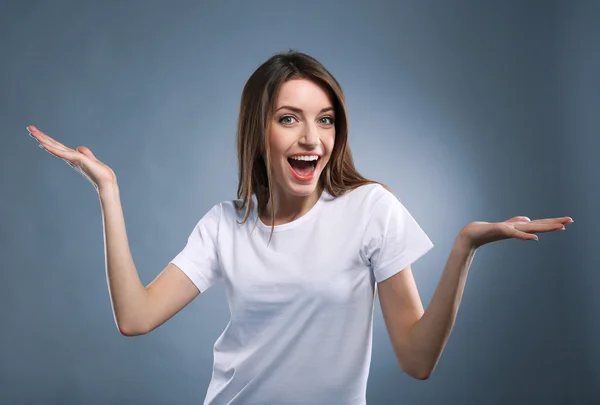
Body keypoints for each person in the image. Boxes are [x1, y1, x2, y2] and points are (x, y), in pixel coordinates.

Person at [27, 51, 572, 405]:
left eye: (325, 118)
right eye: (289, 118)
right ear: (258, 131)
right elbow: (135, 317)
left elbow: (417, 360)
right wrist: (109, 190)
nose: (312, 137)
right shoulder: (225, 225)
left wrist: (464, 249)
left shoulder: (370, 209)